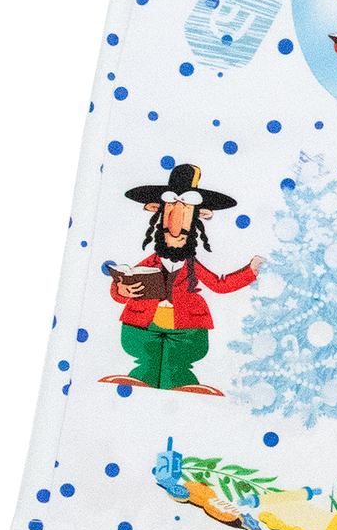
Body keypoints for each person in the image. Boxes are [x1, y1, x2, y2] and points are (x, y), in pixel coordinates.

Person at [105, 163, 263, 392]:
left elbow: (219, 285)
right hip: (143, 324)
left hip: (186, 327)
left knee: (177, 363)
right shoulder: (149, 264)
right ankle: (139, 383)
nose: (175, 234)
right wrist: (121, 289)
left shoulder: (193, 266)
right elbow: (123, 285)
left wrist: (251, 271)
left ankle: (184, 386)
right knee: (147, 359)